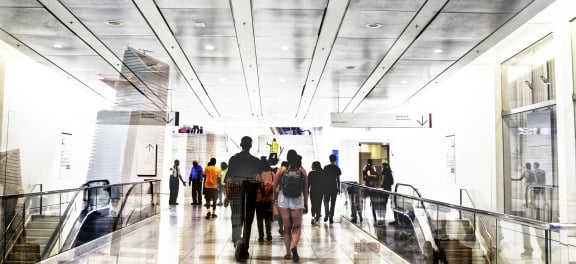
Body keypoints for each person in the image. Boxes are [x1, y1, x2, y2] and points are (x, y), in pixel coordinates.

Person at [224, 136, 262, 261]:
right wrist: (260, 193)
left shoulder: (234, 159)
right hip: (250, 194)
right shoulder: (255, 161)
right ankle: (245, 248)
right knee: (248, 221)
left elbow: (229, 178)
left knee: (236, 218)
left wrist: (227, 196)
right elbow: (258, 179)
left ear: (241, 144)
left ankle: (237, 241)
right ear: (250, 146)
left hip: (236, 193)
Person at [273, 149, 308, 262]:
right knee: (297, 227)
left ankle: (288, 253)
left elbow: (274, 186)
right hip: (297, 199)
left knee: (286, 228)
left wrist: (274, 198)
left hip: (283, 199)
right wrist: (306, 203)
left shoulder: (281, 169)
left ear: (287, 158)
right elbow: (305, 190)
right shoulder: (302, 171)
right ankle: (294, 246)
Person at [256, 157, 275, 242]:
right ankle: (269, 235)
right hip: (269, 199)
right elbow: (275, 186)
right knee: (268, 218)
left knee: (259, 218)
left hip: (259, 199)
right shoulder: (272, 174)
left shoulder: (258, 175)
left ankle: (261, 236)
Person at [322, 154, 341, 224]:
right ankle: (331, 217)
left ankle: (326, 214)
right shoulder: (337, 168)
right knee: (333, 203)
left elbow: (323, 179)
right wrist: (339, 188)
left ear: (329, 159)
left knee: (326, 201)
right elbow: (338, 179)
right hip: (334, 187)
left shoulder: (326, 167)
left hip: (326, 187)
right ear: (335, 160)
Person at [308, 161, 324, 225]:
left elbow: (308, 183)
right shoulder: (322, 173)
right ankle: (317, 216)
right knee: (319, 204)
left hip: (313, 191)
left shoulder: (311, 173)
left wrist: (307, 190)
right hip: (320, 191)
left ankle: (312, 216)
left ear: (314, 166)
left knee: (313, 204)